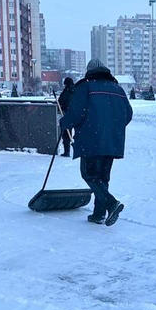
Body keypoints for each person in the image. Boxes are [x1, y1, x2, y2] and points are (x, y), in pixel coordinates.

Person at [59, 59, 133, 226]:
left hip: (91, 139)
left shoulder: (86, 87)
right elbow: (128, 114)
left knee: (89, 174)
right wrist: (112, 127)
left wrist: (65, 123)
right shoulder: (118, 89)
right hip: (112, 141)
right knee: (102, 177)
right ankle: (98, 214)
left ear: (89, 71)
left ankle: (111, 203)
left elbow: (76, 112)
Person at [57, 77, 75, 157]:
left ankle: (66, 151)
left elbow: (62, 101)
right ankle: (68, 150)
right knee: (68, 132)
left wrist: (60, 106)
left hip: (65, 114)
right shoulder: (75, 91)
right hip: (72, 114)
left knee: (65, 134)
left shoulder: (67, 91)